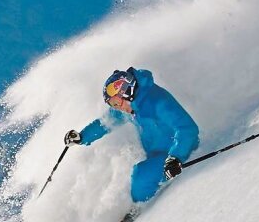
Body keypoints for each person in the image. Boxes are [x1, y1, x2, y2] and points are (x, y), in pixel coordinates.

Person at [65, 67, 199, 204]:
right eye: (112, 105)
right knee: (131, 177)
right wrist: (81, 137)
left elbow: (188, 128)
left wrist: (176, 157)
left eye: (116, 103)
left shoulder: (157, 101)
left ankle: (143, 209)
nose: (117, 108)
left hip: (178, 153)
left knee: (141, 176)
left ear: (127, 92)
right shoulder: (129, 108)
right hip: (159, 156)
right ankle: (141, 204)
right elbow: (104, 123)